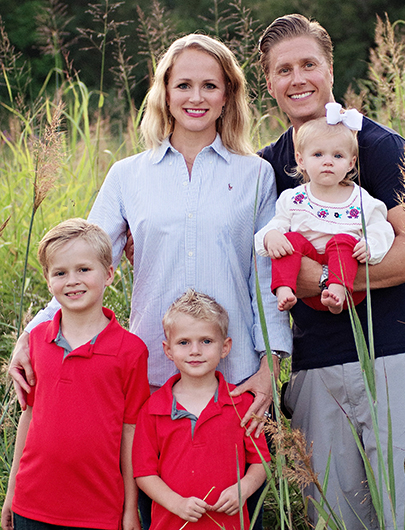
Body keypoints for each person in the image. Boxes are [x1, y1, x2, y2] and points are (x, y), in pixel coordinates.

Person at [8, 34, 292, 529]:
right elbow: (86, 261)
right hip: (151, 380)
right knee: (150, 511)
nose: (196, 97)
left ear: (228, 94)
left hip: (234, 381)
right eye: (183, 84)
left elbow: (264, 280)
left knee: (230, 514)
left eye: (210, 85)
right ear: (164, 91)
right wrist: (32, 336)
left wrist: (269, 370)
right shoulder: (127, 176)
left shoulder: (256, 176)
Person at [257, 13, 405, 530]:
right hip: (315, 367)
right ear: (268, 83)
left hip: (395, 358)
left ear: (330, 70)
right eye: (284, 69)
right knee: (335, 519)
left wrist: (323, 281)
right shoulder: (268, 166)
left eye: (309, 64)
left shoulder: (377, 146)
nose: (298, 79)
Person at [1, 218, 150, 530]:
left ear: (109, 274)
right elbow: (28, 417)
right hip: (32, 505)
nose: (72, 280)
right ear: (48, 280)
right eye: (60, 273)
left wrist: (130, 508)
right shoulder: (37, 342)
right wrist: (11, 492)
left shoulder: (131, 351)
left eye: (84, 269)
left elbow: (130, 433)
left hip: (99, 511)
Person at [133, 289, 270, 530]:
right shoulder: (153, 409)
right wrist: (176, 503)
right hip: (172, 523)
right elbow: (144, 473)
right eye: (184, 342)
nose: (195, 350)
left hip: (228, 524)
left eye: (206, 341)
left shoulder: (242, 404)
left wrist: (244, 488)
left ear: (225, 347)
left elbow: (260, 462)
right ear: (168, 350)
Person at [255, 110, 395, 314]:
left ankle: (336, 292)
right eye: (318, 154)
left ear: (350, 163)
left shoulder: (361, 200)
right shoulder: (293, 198)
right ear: (300, 160)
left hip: (348, 287)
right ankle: (284, 288)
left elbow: (382, 229)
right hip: (303, 289)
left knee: (344, 241)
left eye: (338, 155)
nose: (328, 161)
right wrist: (271, 236)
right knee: (290, 239)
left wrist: (371, 245)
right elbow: (277, 224)